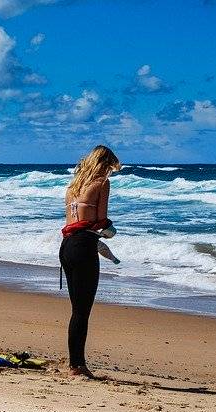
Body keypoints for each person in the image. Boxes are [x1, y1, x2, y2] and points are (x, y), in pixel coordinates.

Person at [59, 145, 120, 378]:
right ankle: (78, 366)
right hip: (84, 246)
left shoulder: (73, 186)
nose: (110, 173)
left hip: (66, 246)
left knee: (76, 309)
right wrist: (110, 229)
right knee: (82, 310)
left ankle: (75, 363)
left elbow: (74, 218)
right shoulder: (101, 183)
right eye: (110, 167)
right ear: (105, 164)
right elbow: (101, 218)